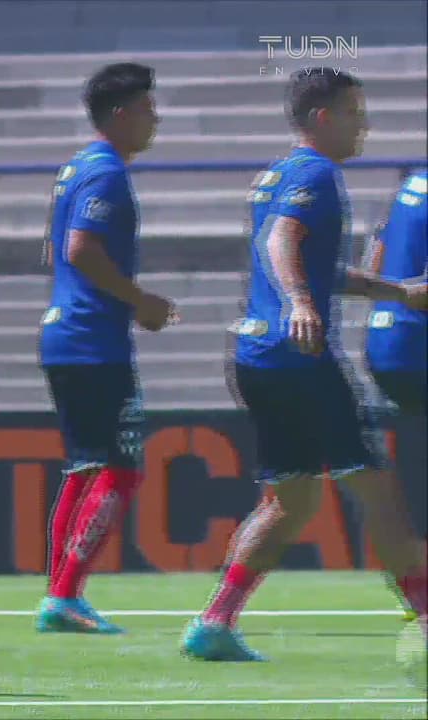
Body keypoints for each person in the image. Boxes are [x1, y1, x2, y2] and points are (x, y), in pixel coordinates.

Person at [182, 68, 428, 662]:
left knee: (289, 502)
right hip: (299, 358)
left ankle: (215, 622)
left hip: (257, 356)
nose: (363, 126)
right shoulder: (317, 173)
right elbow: (282, 243)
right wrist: (298, 302)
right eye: (354, 114)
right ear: (323, 118)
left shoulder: (278, 174)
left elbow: (316, 266)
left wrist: (397, 292)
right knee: (376, 488)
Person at [34, 63, 173, 635]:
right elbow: (80, 248)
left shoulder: (75, 168)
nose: (154, 120)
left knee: (84, 468)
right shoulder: (107, 172)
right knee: (121, 470)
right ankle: (66, 596)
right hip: (93, 341)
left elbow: (53, 252)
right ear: (120, 115)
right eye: (147, 110)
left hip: (66, 332)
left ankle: (59, 594)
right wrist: (139, 300)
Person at [362, 168, 427, 623]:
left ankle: (413, 575)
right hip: (420, 342)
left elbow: (375, 258)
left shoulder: (411, 183)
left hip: (387, 341)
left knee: (416, 467)